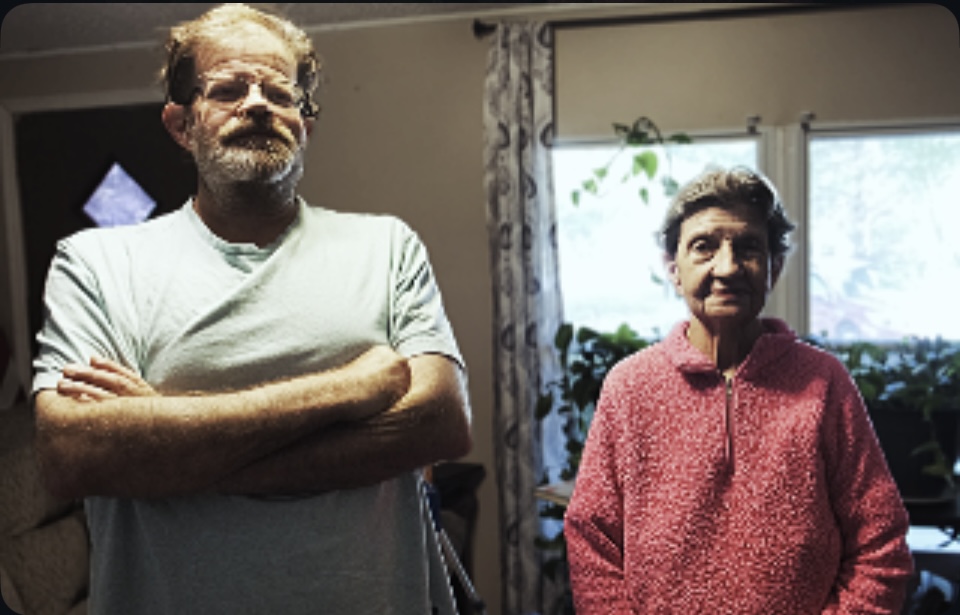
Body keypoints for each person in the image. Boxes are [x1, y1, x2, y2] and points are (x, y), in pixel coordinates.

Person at [30, 4, 471, 613]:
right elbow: (71, 456)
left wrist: (163, 441)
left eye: (280, 92)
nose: (258, 104)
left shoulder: (386, 246)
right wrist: (351, 388)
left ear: (305, 124)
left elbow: (442, 423)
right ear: (182, 125)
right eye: (229, 89)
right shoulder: (96, 262)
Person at [564, 166, 913, 613]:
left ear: (774, 267)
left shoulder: (824, 382)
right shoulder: (629, 386)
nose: (727, 267)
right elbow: (592, 543)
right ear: (673, 268)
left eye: (747, 247)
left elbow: (880, 541)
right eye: (704, 247)